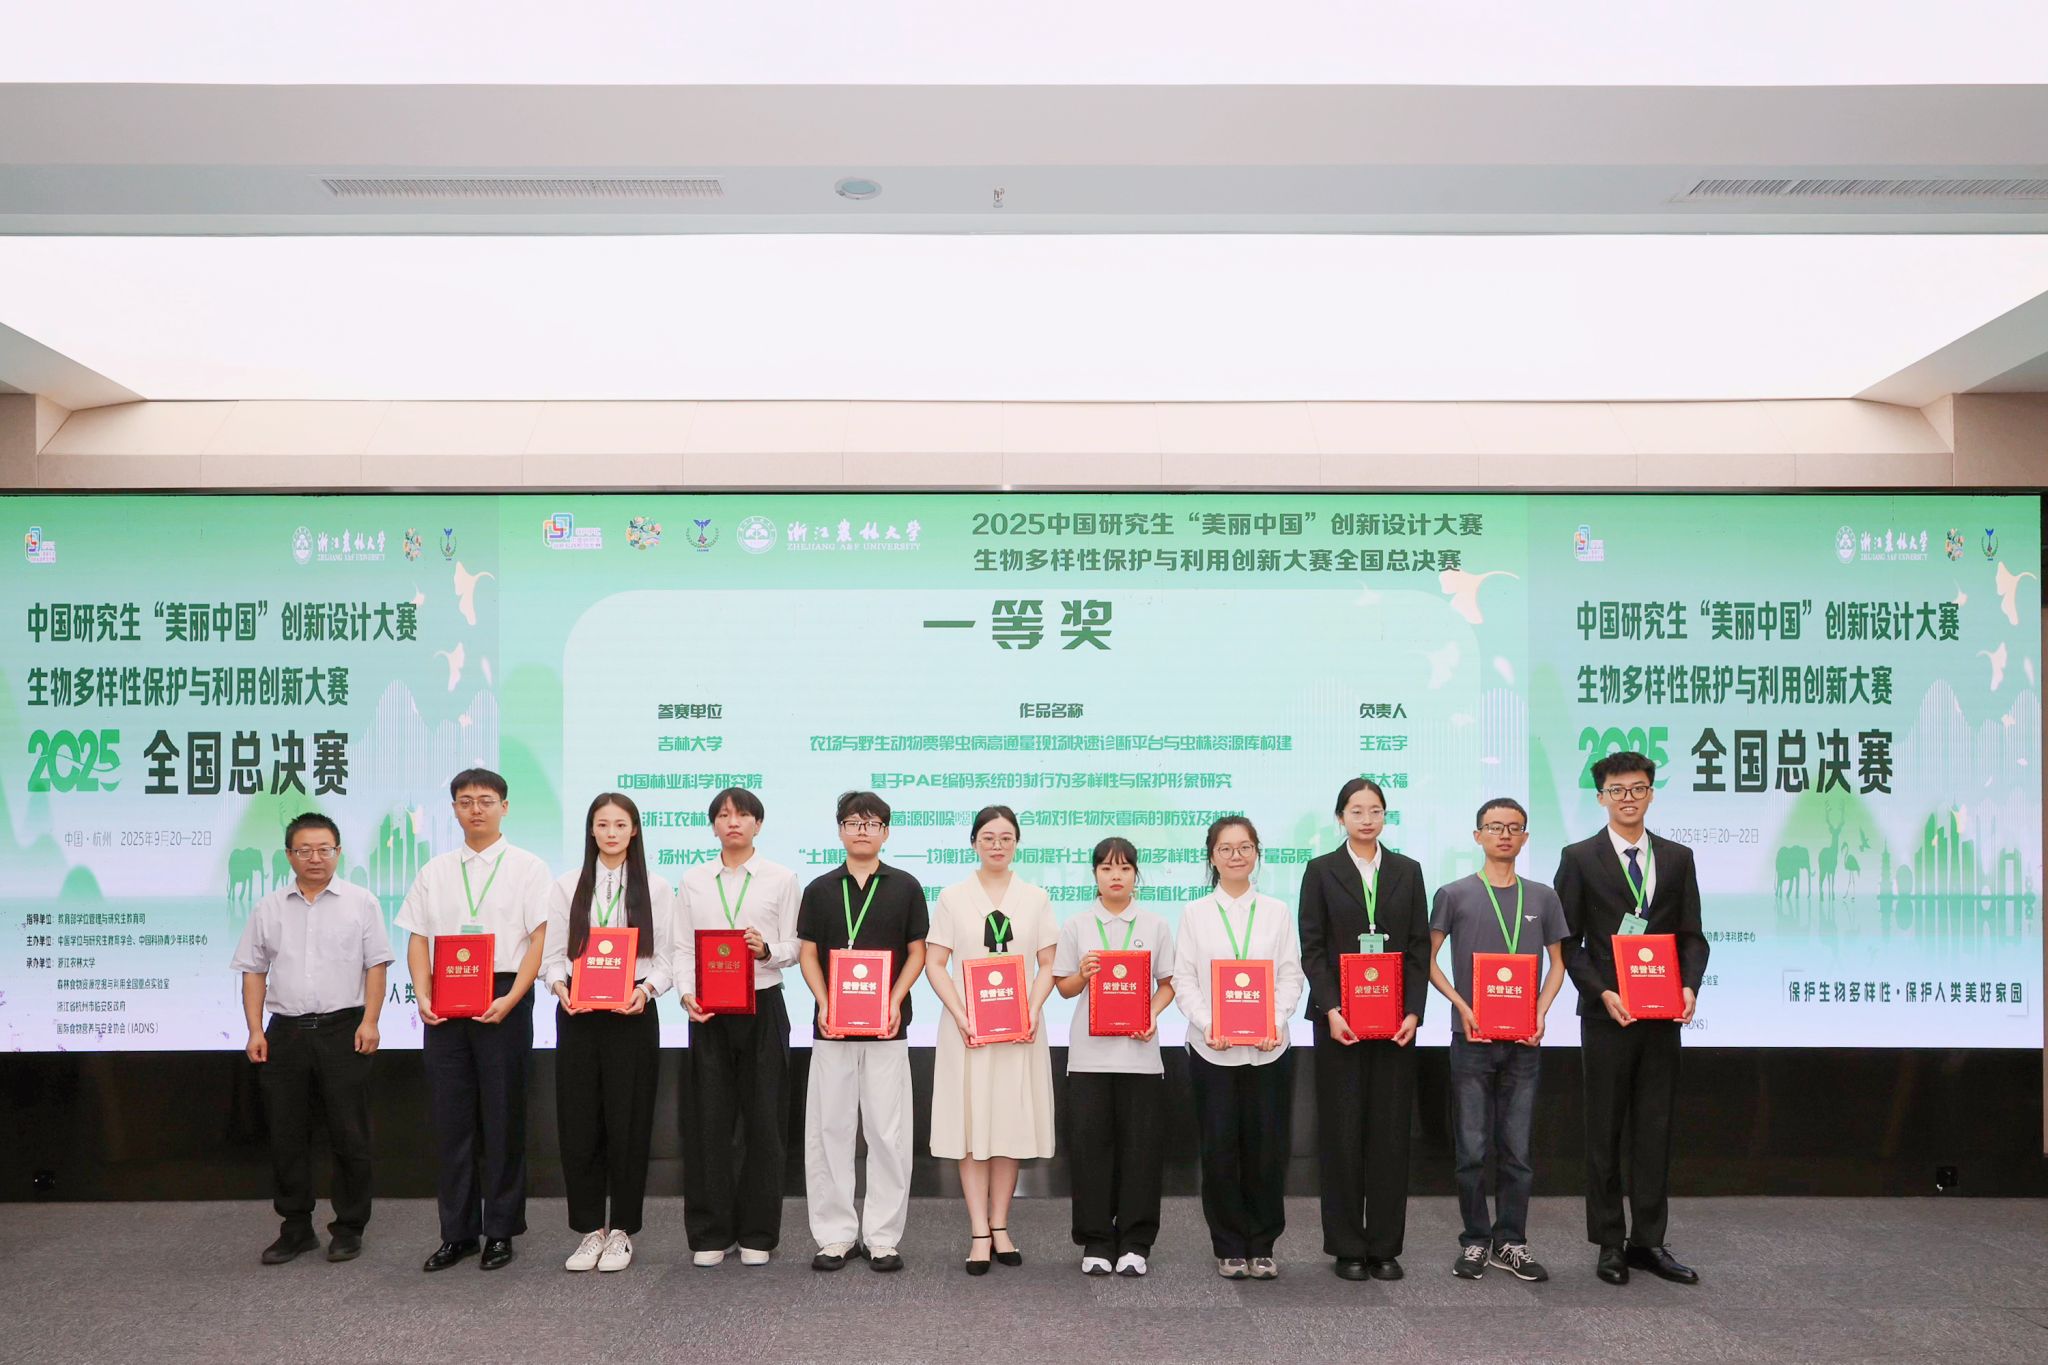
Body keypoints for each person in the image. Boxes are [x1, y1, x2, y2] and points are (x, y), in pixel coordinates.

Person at [1554, 751, 1708, 1287]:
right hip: (1608, 1016)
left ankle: (1648, 1241)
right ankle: (1609, 1243)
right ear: (1601, 797)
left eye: (1638, 788)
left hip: (1662, 1016)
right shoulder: (1579, 858)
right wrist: (1601, 992)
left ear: (1651, 794)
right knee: (1605, 1129)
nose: (1628, 798)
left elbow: (1692, 935)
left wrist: (1689, 985)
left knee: (1654, 1127)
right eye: (1617, 790)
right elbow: (1568, 942)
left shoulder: (1678, 857)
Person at [395, 767, 552, 1273]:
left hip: (503, 994)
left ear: (504, 807)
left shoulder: (529, 867)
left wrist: (513, 998)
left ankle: (500, 1231)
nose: (476, 809)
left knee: (503, 1118)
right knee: (451, 1121)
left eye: (486, 800)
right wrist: (422, 993)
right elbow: (417, 937)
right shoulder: (435, 870)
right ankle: (457, 1233)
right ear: (454, 809)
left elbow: (540, 939)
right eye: (466, 801)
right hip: (445, 1001)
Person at [230, 812, 392, 1265]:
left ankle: (349, 1227)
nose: (315, 858)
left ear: (338, 852)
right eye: (304, 850)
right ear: (289, 855)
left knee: (350, 1134)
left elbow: (376, 965)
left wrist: (371, 1021)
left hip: (345, 1029)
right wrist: (255, 1029)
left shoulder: (362, 902)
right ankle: (296, 1227)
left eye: (324, 849)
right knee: (286, 1134)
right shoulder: (268, 907)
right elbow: (253, 971)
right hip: (285, 1033)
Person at [1426, 798, 1569, 1283]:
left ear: (1525, 838)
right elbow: (1427, 960)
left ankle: (1512, 1241)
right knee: (1471, 1150)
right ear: (1478, 836)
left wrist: (1540, 1011)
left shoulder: (1544, 897)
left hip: (1524, 1042)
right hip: (1470, 1038)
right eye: (1494, 827)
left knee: (1518, 1150)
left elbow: (1559, 964)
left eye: (1514, 828)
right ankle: (1475, 1240)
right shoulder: (1454, 894)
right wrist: (1460, 1005)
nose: (1504, 834)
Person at [1298, 776, 1429, 1281]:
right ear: (1341, 818)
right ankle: (1348, 1246)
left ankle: (1386, 1247)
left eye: (1375, 810)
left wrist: (1413, 1012)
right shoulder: (1320, 871)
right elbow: (1312, 947)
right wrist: (1331, 1010)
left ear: (1384, 816)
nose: (1367, 819)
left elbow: (1418, 947)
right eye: (1356, 811)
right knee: (1342, 1134)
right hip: (1340, 1026)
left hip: (1396, 1025)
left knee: (1390, 1136)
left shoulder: (1407, 871)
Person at [539, 792, 673, 1273]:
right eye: (602, 824)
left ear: (634, 830)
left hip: (631, 1015)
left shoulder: (656, 887)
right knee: (580, 1123)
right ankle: (590, 1230)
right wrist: (559, 986)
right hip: (578, 1014)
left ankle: (622, 1232)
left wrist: (646, 990)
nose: (611, 833)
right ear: (591, 830)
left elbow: (667, 959)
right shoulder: (567, 885)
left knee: (629, 1122)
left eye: (620, 824)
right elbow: (554, 955)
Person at [797, 790, 928, 1273]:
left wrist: (893, 1000)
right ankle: (835, 1235)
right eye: (853, 822)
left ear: (886, 832)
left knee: (887, 1133)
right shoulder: (819, 889)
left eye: (872, 824)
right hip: (832, 1028)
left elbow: (917, 952)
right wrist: (824, 1001)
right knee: (829, 1130)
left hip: (887, 1028)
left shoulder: (906, 886)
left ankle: (882, 1237)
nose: (862, 831)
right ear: (840, 830)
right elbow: (808, 953)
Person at [925, 805, 1058, 1275]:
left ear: (1017, 842)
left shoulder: (1036, 897)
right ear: (974, 843)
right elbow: (935, 962)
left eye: (1006, 837)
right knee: (971, 1127)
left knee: (1008, 1126)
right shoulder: (953, 897)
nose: (997, 845)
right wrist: (962, 1016)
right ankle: (979, 1231)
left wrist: (1032, 1009)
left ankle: (1001, 1225)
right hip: (968, 1031)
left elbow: (1048, 963)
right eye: (988, 837)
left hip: (1019, 1030)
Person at [1172, 815, 1305, 1281]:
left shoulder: (1276, 911)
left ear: (1256, 853)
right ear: (1212, 857)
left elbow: (1290, 975)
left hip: (1269, 1049)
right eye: (1226, 849)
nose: (1235, 856)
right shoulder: (1195, 913)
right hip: (1213, 1050)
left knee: (1267, 1149)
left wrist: (1275, 1020)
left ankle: (1263, 1244)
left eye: (1244, 847)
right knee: (1220, 1148)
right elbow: (1184, 979)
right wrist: (1209, 1024)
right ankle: (1228, 1244)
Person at [675, 786, 801, 1267]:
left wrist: (767, 950)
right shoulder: (693, 880)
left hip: (762, 1006)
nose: (733, 822)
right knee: (709, 1121)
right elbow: (682, 947)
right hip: (708, 1010)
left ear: (758, 824)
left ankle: (758, 1233)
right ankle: (711, 1232)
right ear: (713, 826)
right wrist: (686, 994)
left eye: (743, 815)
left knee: (765, 1122)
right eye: (724, 815)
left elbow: (796, 945)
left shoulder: (781, 878)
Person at [1052, 836, 1175, 1277]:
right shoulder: (1077, 925)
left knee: (1141, 1152)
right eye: (1106, 868)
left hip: (1140, 1057)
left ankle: (1136, 1243)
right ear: (1095, 875)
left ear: (1136, 874)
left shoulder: (1155, 924)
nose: (1115, 876)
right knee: (1090, 1151)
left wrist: (1150, 1015)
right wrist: (1082, 976)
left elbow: (1168, 984)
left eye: (1124, 868)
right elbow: (1063, 988)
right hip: (1089, 1059)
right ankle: (1097, 1241)